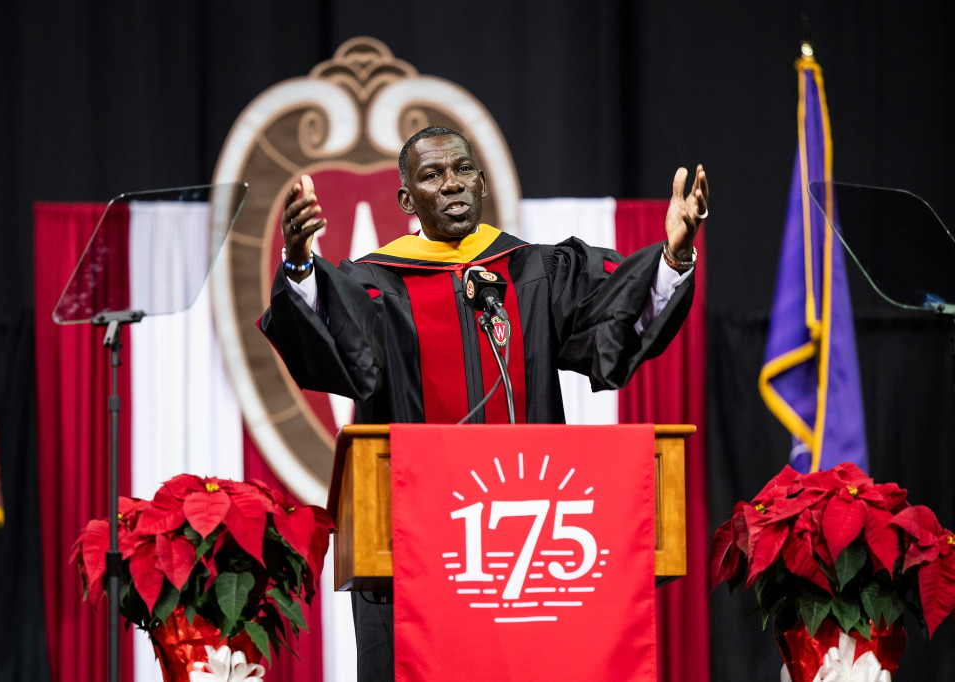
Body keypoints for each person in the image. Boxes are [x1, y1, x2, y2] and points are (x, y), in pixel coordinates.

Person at [259, 125, 707, 680]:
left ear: (482, 180)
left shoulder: (536, 272)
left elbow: (617, 322)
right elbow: (324, 341)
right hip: (415, 549)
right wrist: (301, 265)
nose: (452, 184)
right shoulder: (376, 283)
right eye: (431, 175)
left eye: (462, 169)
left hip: (531, 546)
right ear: (406, 200)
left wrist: (673, 256)